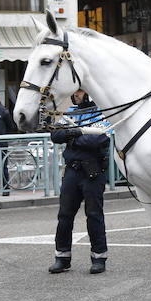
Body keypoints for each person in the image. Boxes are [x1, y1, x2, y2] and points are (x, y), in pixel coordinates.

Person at [48, 90, 110, 274]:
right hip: (72, 171)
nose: (76, 94)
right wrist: (77, 134)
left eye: (80, 91)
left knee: (94, 215)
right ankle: (62, 258)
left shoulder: (102, 112)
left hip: (93, 172)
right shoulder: (70, 112)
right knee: (64, 216)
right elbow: (55, 135)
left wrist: (72, 135)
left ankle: (99, 258)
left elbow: (99, 139)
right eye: (75, 91)